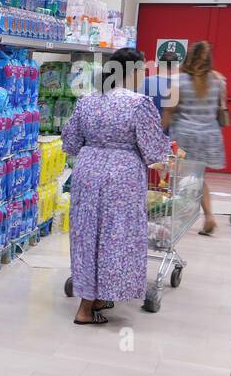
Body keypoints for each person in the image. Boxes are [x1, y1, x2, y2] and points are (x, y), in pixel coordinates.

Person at [61, 47, 172, 325]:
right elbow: (154, 151)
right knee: (115, 235)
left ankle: (94, 298)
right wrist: (163, 160)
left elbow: (70, 143)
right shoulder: (139, 104)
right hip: (122, 178)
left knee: (88, 234)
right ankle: (87, 308)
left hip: (87, 173)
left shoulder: (86, 101)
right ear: (132, 72)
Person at [161, 40, 227, 235]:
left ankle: (179, 219)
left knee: (181, 178)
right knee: (197, 177)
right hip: (208, 136)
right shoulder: (219, 81)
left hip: (184, 135)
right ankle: (209, 216)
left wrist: (158, 134)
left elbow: (168, 111)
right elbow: (221, 109)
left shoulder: (177, 81)